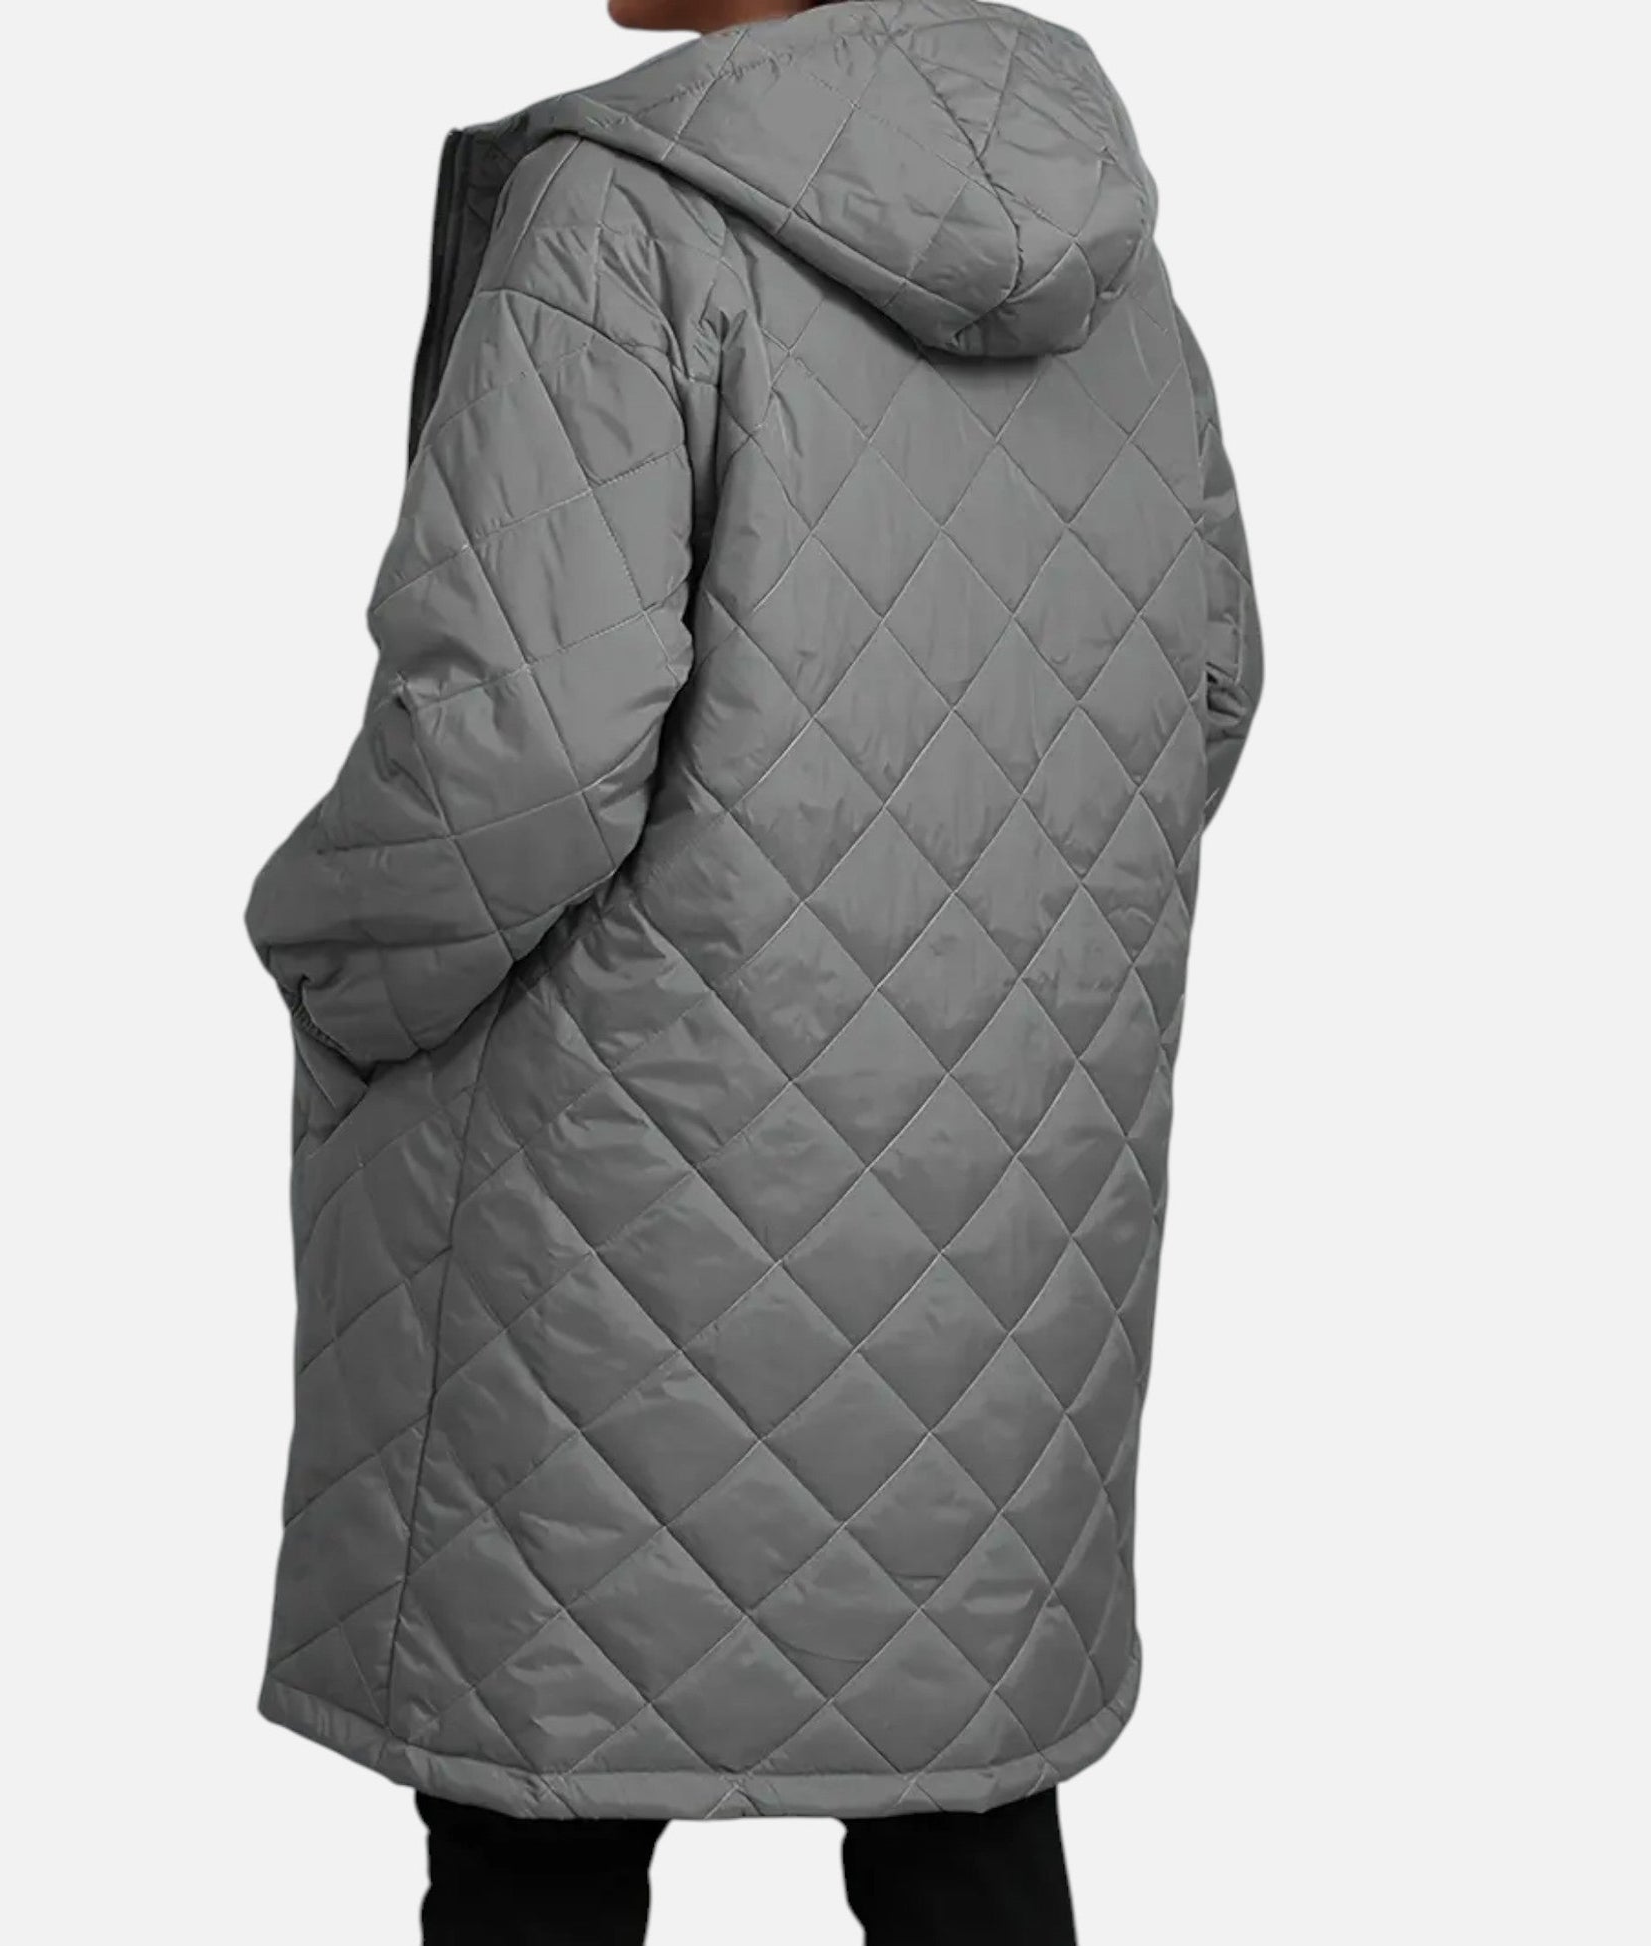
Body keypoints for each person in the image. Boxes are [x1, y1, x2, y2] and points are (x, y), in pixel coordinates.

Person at [245, 0, 1263, 1937]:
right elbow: (1205, 683)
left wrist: (333, 954)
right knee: (963, 1825)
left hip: (603, 1218)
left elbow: (522, 753)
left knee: (541, 1834)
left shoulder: (621, 219)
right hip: (1003, 1214)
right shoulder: (1114, 270)